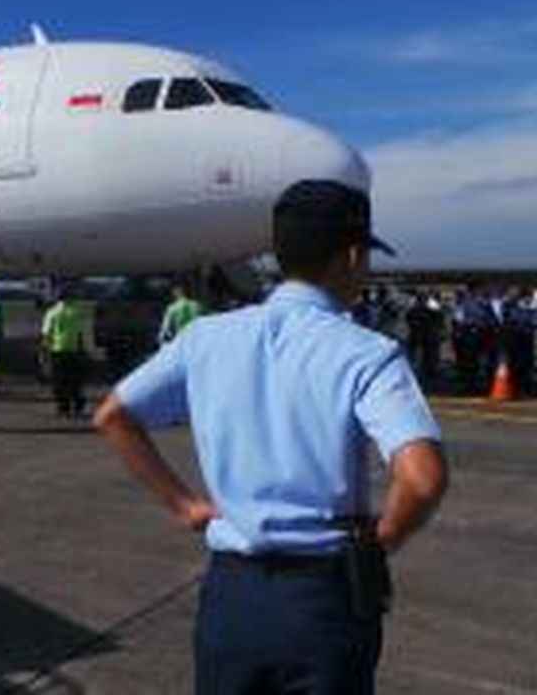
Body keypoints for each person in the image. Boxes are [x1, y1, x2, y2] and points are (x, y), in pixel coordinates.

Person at [94, 180, 448, 694]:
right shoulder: (367, 353)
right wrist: (384, 539)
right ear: (351, 255)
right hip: (324, 600)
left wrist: (186, 506)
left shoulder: (206, 337)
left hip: (230, 598)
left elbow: (113, 416)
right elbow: (422, 479)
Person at [42, 287, 88, 418]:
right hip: (73, 350)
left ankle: (63, 407)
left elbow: (46, 333)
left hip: (57, 350)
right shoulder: (77, 311)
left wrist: (44, 351)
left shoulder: (52, 312)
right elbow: (81, 333)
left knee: (59, 381)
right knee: (74, 379)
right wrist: (83, 350)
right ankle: (78, 402)